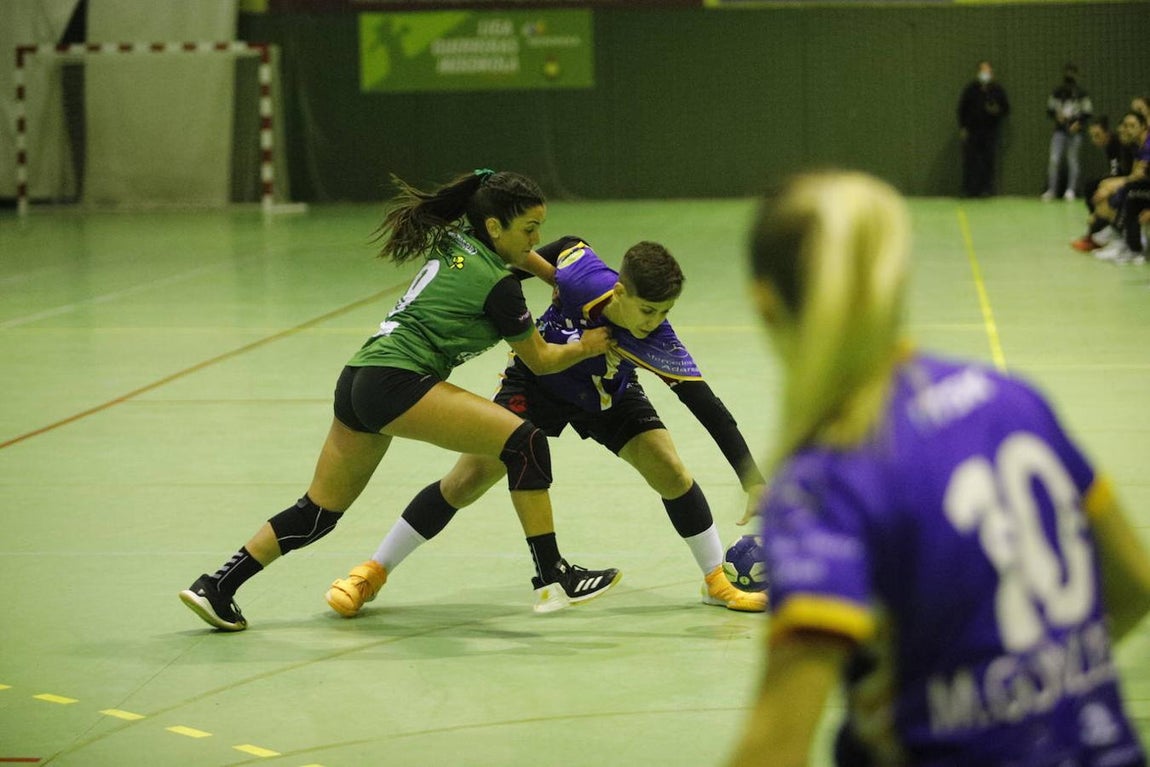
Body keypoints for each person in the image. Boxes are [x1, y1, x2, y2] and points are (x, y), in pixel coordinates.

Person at [726, 171, 1150, 766]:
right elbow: (1132, 583)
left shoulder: (827, 479)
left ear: (764, 301)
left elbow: (773, 748)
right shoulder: (1010, 400)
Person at [178, 169, 619, 632]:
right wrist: (588, 345)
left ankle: (217, 586)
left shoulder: (456, 242)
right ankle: (553, 577)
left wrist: (554, 275)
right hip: (398, 379)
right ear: (494, 228)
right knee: (524, 441)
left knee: (318, 512)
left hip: (358, 378)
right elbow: (543, 360)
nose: (536, 239)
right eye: (529, 229)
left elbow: (518, 261)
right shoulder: (500, 289)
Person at [326, 236, 769, 616]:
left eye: (665, 311)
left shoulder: (655, 340)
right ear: (619, 291)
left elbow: (706, 405)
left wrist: (751, 478)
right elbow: (560, 247)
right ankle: (373, 572)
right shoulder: (581, 278)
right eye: (648, 310)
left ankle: (716, 580)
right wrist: (509, 287)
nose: (655, 322)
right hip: (536, 383)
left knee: (669, 469)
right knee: (467, 479)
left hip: (607, 392)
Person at [1092, 111, 1150, 264]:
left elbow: (1139, 175)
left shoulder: (1148, 145)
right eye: (1125, 126)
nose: (1127, 130)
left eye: (1132, 126)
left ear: (1144, 127)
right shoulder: (1138, 146)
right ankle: (1123, 241)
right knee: (1120, 190)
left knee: (1129, 193)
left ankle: (1132, 247)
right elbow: (1136, 175)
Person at [1070, 115, 1135, 252]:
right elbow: (1116, 171)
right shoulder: (1111, 146)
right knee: (1094, 187)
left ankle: (1100, 232)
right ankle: (1097, 231)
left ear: (1107, 133)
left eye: (1097, 135)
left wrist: (1109, 185)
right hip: (1126, 181)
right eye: (1092, 136)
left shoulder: (1118, 144)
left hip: (1131, 184)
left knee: (1098, 190)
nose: (1095, 140)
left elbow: (1126, 174)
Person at [957, 61, 1010, 198]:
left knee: (988, 161)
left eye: (987, 71)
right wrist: (963, 128)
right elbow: (962, 109)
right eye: (982, 70)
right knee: (971, 161)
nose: (984, 73)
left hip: (990, 132)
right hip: (973, 131)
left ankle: (987, 190)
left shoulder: (997, 90)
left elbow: (1005, 109)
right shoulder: (971, 89)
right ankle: (969, 190)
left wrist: (996, 110)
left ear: (991, 73)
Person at [1042, 63, 1093, 201]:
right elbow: (1050, 109)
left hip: (1075, 132)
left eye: (1072, 72)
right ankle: (1051, 190)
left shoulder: (1082, 93)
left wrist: (1078, 123)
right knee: (1054, 160)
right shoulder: (1057, 92)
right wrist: (1057, 116)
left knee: (1073, 160)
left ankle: (1071, 190)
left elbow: (1087, 112)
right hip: (1059, 131)